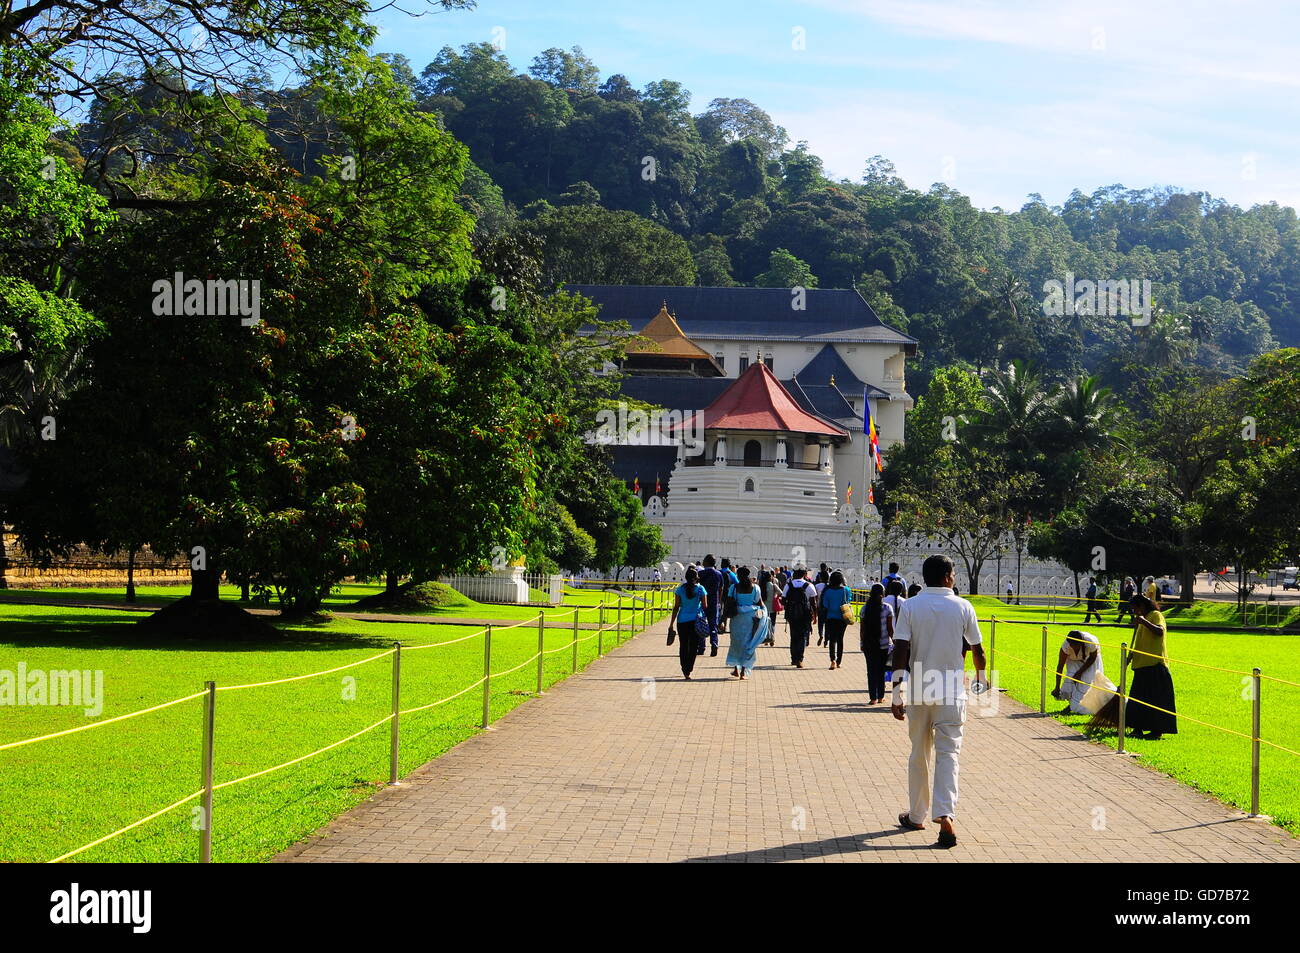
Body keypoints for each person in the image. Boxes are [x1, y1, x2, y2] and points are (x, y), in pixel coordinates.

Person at [891, 554, 985, 849]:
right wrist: (982, 678)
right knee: (949, 754)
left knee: (919, 752)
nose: (955, 577)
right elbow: (977, 649)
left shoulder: (910, 605)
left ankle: (917, 814)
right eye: (954, 574)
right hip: (951, 689)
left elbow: (901, 650)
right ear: (946, 577)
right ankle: (945, 815)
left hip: (921, 686)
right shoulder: (963, 606)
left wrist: (896, 692)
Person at [1125, 594, 1177, 739]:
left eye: (1135, 608)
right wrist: (1131, 655)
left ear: (1142, 606)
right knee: (1138, 700)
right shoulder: (1143, 620)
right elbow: (1141, 642)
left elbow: (1159, 632)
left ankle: (1157, 731)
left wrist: (1143, 622)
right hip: (1141, 665)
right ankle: (1137, 729)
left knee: (1157, 700)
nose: (1134, 612)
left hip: (1155, 665)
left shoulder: (1156, 615)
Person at [724, 567, 769, 680]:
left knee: (735, 642)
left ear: (738, 576)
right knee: (747, 643)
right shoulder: (755, 588)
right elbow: (759, 603)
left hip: (736, 618)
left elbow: (729, 603)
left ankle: (735, 669)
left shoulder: (734, 588)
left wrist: (722, 620)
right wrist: (765, 615)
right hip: (750, 619)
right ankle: (743, 671)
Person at [666, 568, 710, 680]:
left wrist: (671, 623)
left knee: (683, 645)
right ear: (696, 578)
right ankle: (689, 669)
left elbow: (676, 607)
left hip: (682, 620)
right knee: (694, 646)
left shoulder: (680, 589)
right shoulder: (701, 589)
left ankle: (684, 668)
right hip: (696, 620)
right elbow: (705, 606)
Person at [1051, 629, 1105, 713]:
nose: (1073, 647)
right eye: (1071, 644)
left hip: (1090, 658)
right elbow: (1060, 666)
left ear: (1081, 643)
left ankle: (1092, 706)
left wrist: (1080, 672)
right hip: (1073, 658)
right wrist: (1057, 687)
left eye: (1076, 644)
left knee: (1087, 681)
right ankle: (1071, 705)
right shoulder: (1066, 647)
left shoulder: (1091, 642)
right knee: (1071, 678)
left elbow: (1093, 657)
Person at [861, 583, 893, 704]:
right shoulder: (887, 608)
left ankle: (872, 698)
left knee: (871, 670)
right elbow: (890, 629)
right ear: (883, 594)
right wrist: (894, 642)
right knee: (881, 670)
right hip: (884, 644)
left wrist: (862, 643)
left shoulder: (865, 608)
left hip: (868, 644)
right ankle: (881, 696)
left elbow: (862, 629)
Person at [783, 568, 817, 668]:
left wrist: (789, 606)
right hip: (805, 615)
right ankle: (800, 659)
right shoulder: (809, 585)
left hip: (792, 614)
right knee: (802, 637)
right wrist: (815, 616)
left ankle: (793, 659)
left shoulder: (789, 585)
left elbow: (783, 600)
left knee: (793, 636)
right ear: (804, 575)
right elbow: (813, 603)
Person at [820, 570, 853, 669]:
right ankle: (839, 661)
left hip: (830, 617)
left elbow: (825, 605)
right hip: (842, 617)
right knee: (840, 639)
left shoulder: (827, 591)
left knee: (832, 639)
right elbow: (848, 600)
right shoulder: (846, 590)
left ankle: (832, 660)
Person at [697, 555, 724, 657]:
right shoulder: (718, 574)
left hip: (702, 602)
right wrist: (719, 601)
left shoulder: (701, 573)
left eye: (704, 560)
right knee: (713, 624)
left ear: (707, 562)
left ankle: (701, 647)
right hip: (713, 602)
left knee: (701, 623)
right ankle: (714, 644)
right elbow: (721, 588)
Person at [883, 580, 907, 688]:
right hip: (901, 635)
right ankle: (898, 683)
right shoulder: (905, 602)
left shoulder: (884, 600)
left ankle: (881, 682)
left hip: (887, 635)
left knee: (885, 661)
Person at [814, 568, 830, 646]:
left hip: (820, 607)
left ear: (820, 578)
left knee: (820, 623)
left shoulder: (817, 586)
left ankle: (821, 635)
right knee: (827, 624)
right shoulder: (830, 587)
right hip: (828, 608)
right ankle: (826, 640)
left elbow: (815, 597)